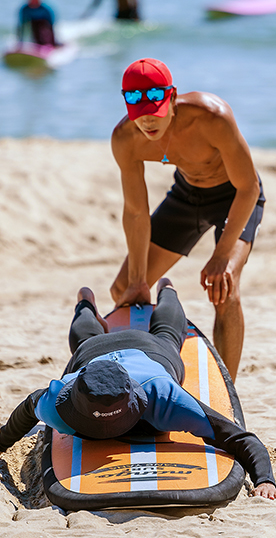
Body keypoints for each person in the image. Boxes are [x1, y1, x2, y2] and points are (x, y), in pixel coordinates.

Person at [0, 279, 276, 500]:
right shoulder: (59, 402)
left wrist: (264, 479)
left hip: (143, 352)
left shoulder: (162, 396)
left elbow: (240, 439)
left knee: (159, 335)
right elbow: (237, 437)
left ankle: (158, 292)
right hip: (97, 358)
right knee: (128, 337)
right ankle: (125, 299)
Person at [109, 58, 265, 382]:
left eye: (156, 113)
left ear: (173, 96)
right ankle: (150, 370)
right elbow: (136, 212)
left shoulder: (212, 116)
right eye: (141, 117)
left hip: (233, 197)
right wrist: (139, 280)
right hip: (186, 196)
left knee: (224, 286)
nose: (149, 125)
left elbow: (248, 186)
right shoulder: (126, 138)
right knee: (123, 288)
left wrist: (221, 256)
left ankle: (226, 392)